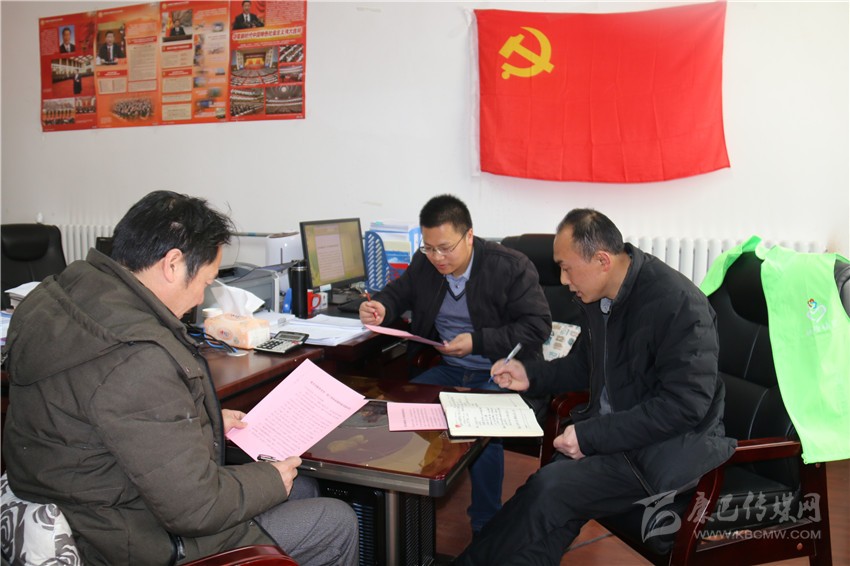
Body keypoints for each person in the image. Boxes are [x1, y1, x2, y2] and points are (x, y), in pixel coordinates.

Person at [2, 191, 359, 565]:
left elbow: (108, 417)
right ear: (172, 264)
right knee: (334, 521)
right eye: (206, 282)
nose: (201, 299)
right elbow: (196, 508)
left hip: (82, 502)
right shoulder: (137, 356)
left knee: (301, 486)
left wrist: (204, 422)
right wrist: (270, 479)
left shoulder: (56, 297)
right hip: (130, 540)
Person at [455, 209, 736, 565]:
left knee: (549, 490)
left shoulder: (679, 305)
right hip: (618, 440)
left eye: (567, 268)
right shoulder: (602, 298)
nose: (563, 279)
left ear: (602, 260)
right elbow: (584, 366)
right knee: (543, 506)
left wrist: (590, 436)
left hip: (664, 453)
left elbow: (684, 406)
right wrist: (530, 375)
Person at [360, 194, 552, 534]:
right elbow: (398, 292)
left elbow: (538, 326)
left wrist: (477, 342)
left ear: (469, 236)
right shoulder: (425, 264)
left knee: (480, 424)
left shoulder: (510, 266)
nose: (437, 257)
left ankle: (485, 524)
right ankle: (406, 518)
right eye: (429, 248)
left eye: (445, 248)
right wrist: (381, 307)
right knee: (398, 408)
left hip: (500, 372)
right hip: (449, 368)